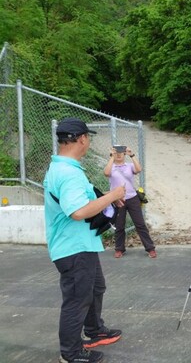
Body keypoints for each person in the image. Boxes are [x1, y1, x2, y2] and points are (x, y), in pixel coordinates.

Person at [44, 117, 125, 363]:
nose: (88, 142)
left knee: (95, 287)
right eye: (88, 138)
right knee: (77, 299)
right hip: (73, 248)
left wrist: (105, 199)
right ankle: (70, 353)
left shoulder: (62, 167)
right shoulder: (68, 172)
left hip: (81, 245)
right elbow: (77, 211)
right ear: (81, 139)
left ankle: (94, 330)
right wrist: (112, 195)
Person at [104, 145, 156, 259]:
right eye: (116, 152)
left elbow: (138, 169)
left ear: (124, 154)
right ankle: (119, 249)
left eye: (121, 152)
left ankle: (150, 248)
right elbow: (106, 173)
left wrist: (131, 155)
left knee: (140, 224)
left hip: (132, 198)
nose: (119, 154)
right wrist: (111, 157)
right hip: (118, 200)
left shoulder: (129, 165)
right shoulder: (111, 166)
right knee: (119, 225)